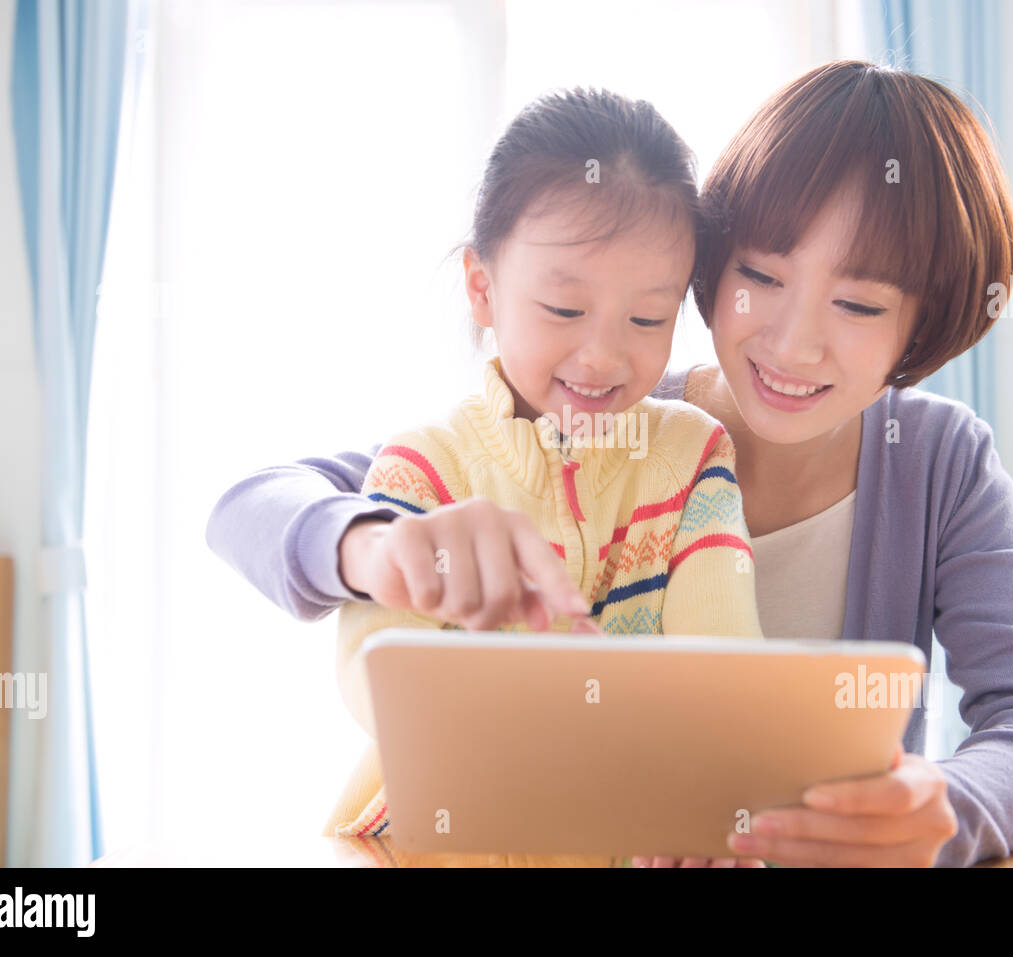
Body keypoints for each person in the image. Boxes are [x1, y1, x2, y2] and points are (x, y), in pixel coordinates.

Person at [206, 61, 1013, 868]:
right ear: (705, 270)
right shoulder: (608, 406)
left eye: (859, 303)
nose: (793, 343)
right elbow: (257, 504)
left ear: (925, 320)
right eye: (761, 274)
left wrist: (942, 809)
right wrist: (372, 543)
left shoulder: (939, 462)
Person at [303, 87, 764, 857]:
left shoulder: (695, 459)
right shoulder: (424, 466)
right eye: (562, 309)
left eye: (647, 319)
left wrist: (709, 789)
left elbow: (725, 666)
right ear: (482, 288)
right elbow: (376, 674)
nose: (603, 356)